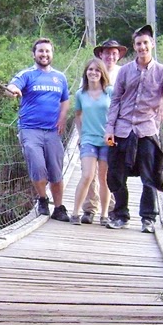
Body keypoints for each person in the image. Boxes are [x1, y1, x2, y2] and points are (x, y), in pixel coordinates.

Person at [104, 24, 163, 233]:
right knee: (115, 174)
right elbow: (116, 100)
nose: (142, 47)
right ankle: (120, 214)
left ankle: (148, 218)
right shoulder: (125, 72)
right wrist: (109, 128)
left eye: (145, 43)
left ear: (152, 44)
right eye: (138, 44)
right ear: (134, 46)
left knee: (149, 175)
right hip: (122, 129)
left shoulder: (162, 72)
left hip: (146, 129)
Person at [6, 38, 71, 222]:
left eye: (47, 51)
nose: (44, 54)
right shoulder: (27, 74)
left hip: (52, 131)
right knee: (38, 167)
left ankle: (59, 208)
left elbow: (65, 100)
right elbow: (11, 86)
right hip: (30, 130)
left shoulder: (60, 77)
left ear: (52, 54)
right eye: (40, 51)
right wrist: (13, 91)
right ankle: (42, 199)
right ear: (34, 54)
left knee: (56, 172)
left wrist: (63, 117)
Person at [80, 39, 127, 225]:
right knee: (89, 173)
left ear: (118, 55)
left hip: (115, 130)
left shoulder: (124, 72)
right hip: (92, 132)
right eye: (107, 53)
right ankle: (90, 209)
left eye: (114, 53)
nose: (111, 56)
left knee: (111, 171)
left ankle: (111, 210)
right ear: (101, 54)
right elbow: (82, 102)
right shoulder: (92, 71)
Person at [70, 58, 113, 225]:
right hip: (89, 139)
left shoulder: (109, 91)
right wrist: (81, 135)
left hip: (106, 140)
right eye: (90, 70)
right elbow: (78, 115)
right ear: (85, 72)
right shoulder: (81, 94)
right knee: (87, 175)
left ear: (102, 73)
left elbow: (117, 112)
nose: (93, 73)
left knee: (104, 178)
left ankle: (104, 215)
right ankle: (75, 213)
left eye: (97, 70)